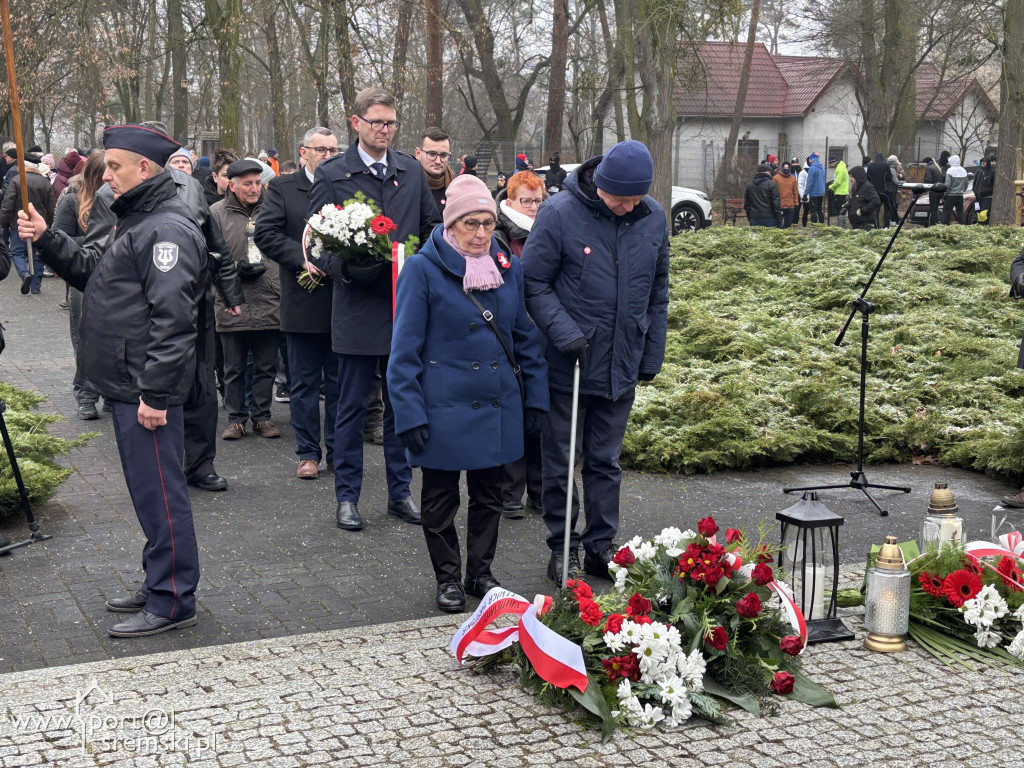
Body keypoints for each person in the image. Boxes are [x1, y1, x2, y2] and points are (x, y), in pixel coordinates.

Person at [17, 125, 206, 637]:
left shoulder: (165, 229)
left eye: (115, 168)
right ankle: (159, 578)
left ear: (145, 168)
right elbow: (94, 271)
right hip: (126, 382)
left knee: (162, 493)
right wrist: (48, 235)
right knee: (149, 494)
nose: (104, 180)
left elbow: (174, 320)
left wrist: (156, 393)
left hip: (143, 388)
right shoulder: (133, 219)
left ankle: (172, 601)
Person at [389, 175, 547, 612]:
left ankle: (479, 572)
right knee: (439, 498)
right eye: (470, 224)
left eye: (487, 223)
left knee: (489, 495)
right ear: (450, 224)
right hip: (442, 406)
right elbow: (403, 352)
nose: (480, 234)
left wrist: (535, 399)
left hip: (496, 403)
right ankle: (447, 578)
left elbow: (524, 339)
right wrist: (410, 414)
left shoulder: (504, 264)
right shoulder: (423, 268)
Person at [521, 140, 669, 582]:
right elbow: (532, 284)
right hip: (570, 362)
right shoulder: (560, 212)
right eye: (617, 198)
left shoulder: (654, 217)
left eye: (634, 199)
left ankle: (601, 546)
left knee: (606, 461)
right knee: (563, 459)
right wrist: (564, 332)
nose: (626, 207)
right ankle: (561, 547)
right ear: (598, 183)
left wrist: (651, 352)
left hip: (622, 360)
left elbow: (658, 291)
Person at [306, 85, 440, 532]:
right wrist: (345, 269)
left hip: (405, 308)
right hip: (357, 309)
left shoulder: (411, 171)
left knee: (403, 406)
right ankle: (347, 497)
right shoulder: (332, 174)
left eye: (391, 123)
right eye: (377, 122)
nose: (385, 130)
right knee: (351, 408)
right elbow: (316, 241)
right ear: (356, 123)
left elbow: (430, 229)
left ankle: (400, 493)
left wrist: (419, 265)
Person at [256, 127, 341, 479]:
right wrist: (301, 257)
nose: (328, 156)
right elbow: (266, 233)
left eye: (334, 150)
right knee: (304, 384)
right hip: (303, 300)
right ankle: (308, 453)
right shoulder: (282, 188)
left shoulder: (347, 186)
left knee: (340, 384)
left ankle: (338, 451)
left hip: (342, 301)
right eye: (321, 149)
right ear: (303, 152)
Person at [212, 159, 281, 440]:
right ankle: (236, 418)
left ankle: (262, 417)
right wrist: (231, 270)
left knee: (267, 365)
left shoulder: (274, 209)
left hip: (269, 295)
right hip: (232, 298)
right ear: (232, 185)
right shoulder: (215, 213)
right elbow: (208, 254)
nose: (254, 189)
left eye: (257, 182)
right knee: (233, 367)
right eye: (247, 183)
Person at [493, 170, 546, 518]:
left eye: (537, 201)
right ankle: (510, 491)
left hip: (544, 331)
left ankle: (541, 490)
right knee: (514, 410)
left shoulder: (549, 232)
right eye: (525, 201)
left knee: (542, 411)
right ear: (509, 202)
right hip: (510, 332)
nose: (532, 208)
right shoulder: (498, 236)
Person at [52, 151, 106, 419]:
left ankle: (111, 390)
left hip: (117, 279)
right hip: (84, 279)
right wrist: (100, 242)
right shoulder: (73, 199)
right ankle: (85, 394)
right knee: (85, 338)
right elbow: (59, 240)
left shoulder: (123, 200)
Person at [0, 151, 56, 294]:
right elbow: (51, 207)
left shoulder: (16, 180)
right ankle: (36, 285)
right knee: (38, 254)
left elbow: (8, 204)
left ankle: (24, 274)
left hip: (18, 224)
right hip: (39, 225)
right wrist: (48, 225)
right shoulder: (45, 182)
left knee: (17, 252)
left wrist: (2, 222)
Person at [415, 127, 452, 216]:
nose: (438, 161)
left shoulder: (456, 188)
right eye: (432, 154)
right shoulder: (406, 186)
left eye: (443, 155)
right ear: (418, 153)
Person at [744, 163, 781, 228]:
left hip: (754, 217)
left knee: (756, 237)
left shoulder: (750, 185)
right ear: (767, 172)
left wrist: (750, 217)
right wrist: (779, 219)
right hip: (770, 218)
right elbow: (776, 204)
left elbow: (747, 204)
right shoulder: (771, 184)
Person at [846, 166, 881, 231]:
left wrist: (862, 211)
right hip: (856, 224)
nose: (850, 179)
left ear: (857, 176)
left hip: (865, 224)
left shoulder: (867, 187)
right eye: (850, 177)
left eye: (852, 177)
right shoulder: (856, 187)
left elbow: (876, 201)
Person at [942, 155, 968, 225]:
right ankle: (961, 226)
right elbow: (966, 184)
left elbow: (947, 184)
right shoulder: (963, 170)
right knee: (960, 212)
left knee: (946, 212)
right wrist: (962, 191)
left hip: (951, 195)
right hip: (960, 195)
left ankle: (944, 226)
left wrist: (945, 194)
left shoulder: (950, 170)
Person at [774, 162, 799, 228]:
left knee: (788, 224)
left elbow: (795, 191)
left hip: (790, 205)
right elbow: (773, 192)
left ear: (790, 168)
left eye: (787, 167)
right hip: (780, 205)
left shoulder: (793, 178)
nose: (786, 169)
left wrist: (796, 203)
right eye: (784, 167)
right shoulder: (776, 178)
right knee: (778, 224)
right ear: (782, 168)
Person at [972, 155, 995, 225]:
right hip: (978, 197)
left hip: (987, 197)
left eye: (984, 162)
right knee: (978, 212)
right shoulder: (978, 172)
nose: (983, 163)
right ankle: (980, 225)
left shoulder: (991, 172)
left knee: (984, 214)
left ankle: (985, 225)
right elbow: (974, 182)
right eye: (982, 161)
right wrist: (974, 190)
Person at [922, 156, 943, 226]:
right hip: (939, 190)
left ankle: (933, 225)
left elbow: (928, 180)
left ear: (926, 162)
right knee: (937, 208)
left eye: (923, 163)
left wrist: (924, 188)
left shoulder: (929, 168)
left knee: (933, 209)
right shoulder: (936, 167)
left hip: (933, 191)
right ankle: (938, 223)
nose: (923, 165)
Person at [804, 153, 825, 224]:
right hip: (821, 192)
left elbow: (809, 182)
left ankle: (814, 230)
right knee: (819, 210)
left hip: (814, 193)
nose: (809, 160)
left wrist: (805, 193)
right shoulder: (822, 167)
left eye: (810, 158)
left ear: (811, 159)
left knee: (813, 211)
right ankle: (822, 227)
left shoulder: (812, 168)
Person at [828, 157, 849, 228]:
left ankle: (841, 227)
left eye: (830, 163)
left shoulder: (839, 168)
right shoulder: (842, 167)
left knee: (840, 210)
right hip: (843, 191)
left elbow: (838, 181)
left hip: (840, 192)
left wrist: (830, 187)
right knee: (842, 210)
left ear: (833, 162)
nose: (830, 165)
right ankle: (843, 226)